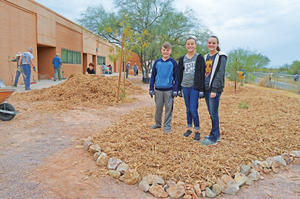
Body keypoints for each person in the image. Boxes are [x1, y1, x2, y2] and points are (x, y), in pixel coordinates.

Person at [197, 35, 227, 146]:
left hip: (214, 89)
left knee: (214, 114)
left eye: (213, 43)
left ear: (217, 44)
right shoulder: (206, 57)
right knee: (211, 113)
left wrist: (214, 89)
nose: (211, 45)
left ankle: (213, 138)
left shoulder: (221, 56)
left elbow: (220, 74)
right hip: (206, 88)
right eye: (209, 43)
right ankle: (216, 134)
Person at [178, 37, 205, 141]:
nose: (190, 46)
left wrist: (201, 89)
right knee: (188, 109)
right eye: (188, 44)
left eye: (192, 44)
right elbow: (180, 74)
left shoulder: (199, 58)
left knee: (193, 109)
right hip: (185, 86)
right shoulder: (182, 59)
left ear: (195, 45)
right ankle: (189, 128)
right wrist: (179, 88)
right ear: (186, 45)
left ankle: (197, 130)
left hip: (195, 87)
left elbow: (202, 74)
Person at [149, 42, 178, 133]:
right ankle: (158, 123)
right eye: (164, 50)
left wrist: (175, 89)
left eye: (167, 50)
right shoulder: (157, 62)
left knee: (169, 109)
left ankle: (167, 126)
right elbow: (153, 76)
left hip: (169, 90)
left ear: (170, 51)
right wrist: (151, 88)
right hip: (158, 89)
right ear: (161, 51)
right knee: (158, 108)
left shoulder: (173, 62)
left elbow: (177, 77)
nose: (165, 52)